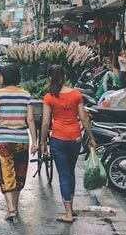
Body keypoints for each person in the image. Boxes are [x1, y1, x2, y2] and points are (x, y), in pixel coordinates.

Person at [41, 64, 96, 224]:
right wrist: (91, 137)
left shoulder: (49, 97)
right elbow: (84, 118)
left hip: (58, 138)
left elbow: (45, 123)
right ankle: (70, 208)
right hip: (75, 139)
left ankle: (68, 214)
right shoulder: (76, 94)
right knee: (70, 173)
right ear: (64, 77)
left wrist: (43, 141)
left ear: (50, 78)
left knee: (63, 175)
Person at [0, 64, 37, 221]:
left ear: (6, 76)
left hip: (3, 140)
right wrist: (34, 142)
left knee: (6, 173)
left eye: (0, 75)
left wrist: (3, 114)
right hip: (22, 139)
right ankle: (14, 207)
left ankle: (11, 208)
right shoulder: (25, 95)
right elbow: (30, 119)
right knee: (19, 173)